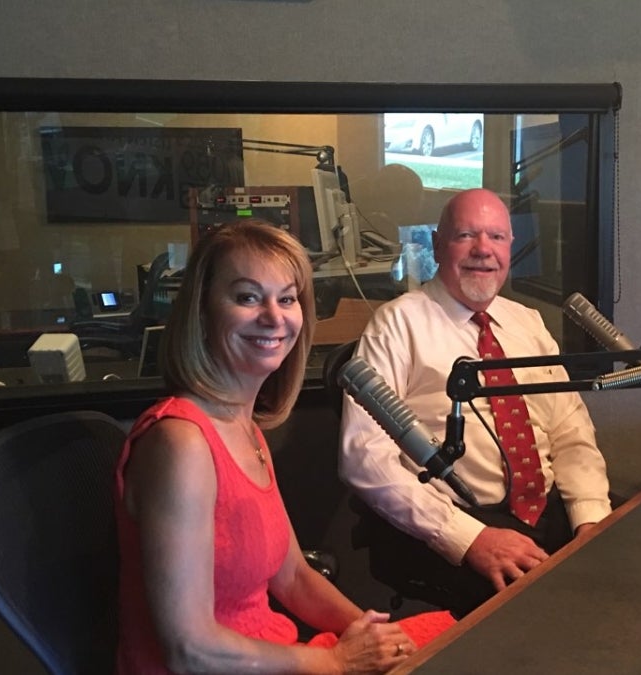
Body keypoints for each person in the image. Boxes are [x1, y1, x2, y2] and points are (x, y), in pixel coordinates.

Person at [114, 219, 452, 674]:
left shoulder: (245, 428)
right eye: (248, 297)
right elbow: (189, 650)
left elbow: (292, 576)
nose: (274, 317)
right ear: (203, 311)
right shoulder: (181, 443)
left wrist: (380, 643)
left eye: (287, 298)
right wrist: (336, 662)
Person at [339, 189, 612, 617]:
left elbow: (570, 430)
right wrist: (468, 539)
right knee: (545, 615)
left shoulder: (528, 323)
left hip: (545, 510)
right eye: (466, 235)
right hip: (457, 517)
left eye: (497, 237)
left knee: (612, 587)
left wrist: (591, 518)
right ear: (435, 244)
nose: (483, 250)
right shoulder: (398, 323)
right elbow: (363, 457)